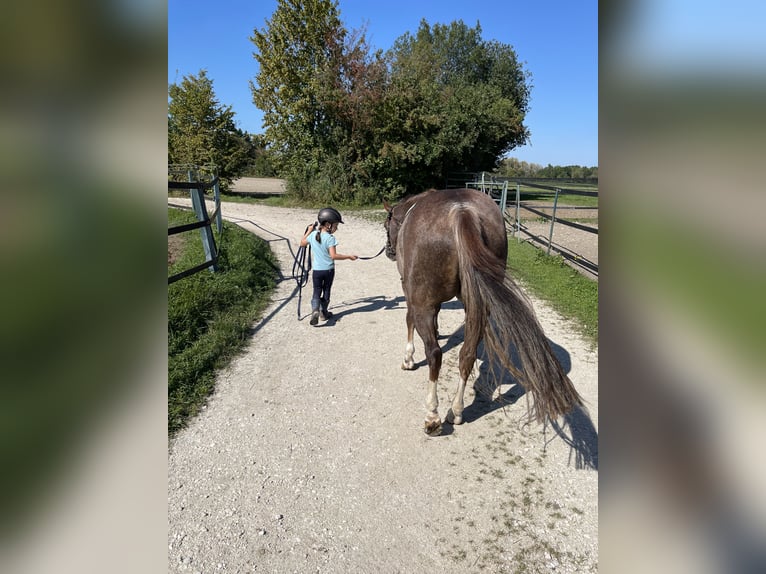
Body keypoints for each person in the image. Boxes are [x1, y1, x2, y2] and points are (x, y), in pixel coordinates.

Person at [300, 207, 358, 325]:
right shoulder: (330, 238)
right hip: (328, 271)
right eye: (336, 225)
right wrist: (348, 256)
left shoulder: (313, 235)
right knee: (326, 290)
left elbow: (302, 243)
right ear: (327, 224)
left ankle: (315, 310)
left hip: (317, 270)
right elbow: (333, 255)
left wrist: (309, 230)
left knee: (316, 291)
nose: (336, 228)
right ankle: (323, 312)